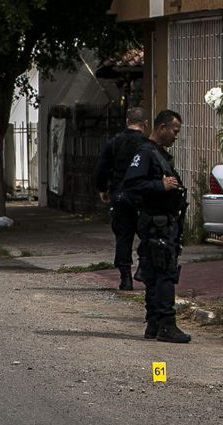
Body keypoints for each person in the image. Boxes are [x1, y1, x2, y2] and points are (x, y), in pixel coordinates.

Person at [121, 109, 190, 344]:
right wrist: (160, 186)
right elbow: (132, 185)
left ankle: (154, 323)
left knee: (154, 272)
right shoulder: (146, 152)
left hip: (164, 222)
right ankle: (166, 324)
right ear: (162, 128)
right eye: (174, 131)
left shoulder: (159, 154)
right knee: (164, 274)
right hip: (156, 224)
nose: (176, 136)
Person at [95, 107, 148, 290]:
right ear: (145, 124)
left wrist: (103, 189)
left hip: (120, 195)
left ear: (127, 121)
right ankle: (142, 267)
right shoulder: (147, 144)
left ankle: (125, 278)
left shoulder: (115, 142)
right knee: (149, 234)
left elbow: (102, 168)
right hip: (143, 196)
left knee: (123, 237)